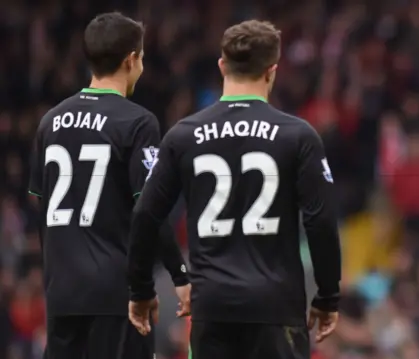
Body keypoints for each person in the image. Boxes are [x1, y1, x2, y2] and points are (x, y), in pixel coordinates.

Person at [126, 20, 342, 359]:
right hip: (276, 306)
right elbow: (321, 221)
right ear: (272, 71)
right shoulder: (298, 136)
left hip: (212, 308)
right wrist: (328, 295)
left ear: (222, 66)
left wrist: (140, 289)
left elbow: (145, 214)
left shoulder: (183, 135)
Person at [28, 12, 191, 359]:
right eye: (142, 58)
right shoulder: (137, 121)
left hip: (61, 295)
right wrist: (178, 275)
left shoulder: (50, 122)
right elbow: (151, 208)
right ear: (131, 60)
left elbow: (40, 208)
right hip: (114, 295)